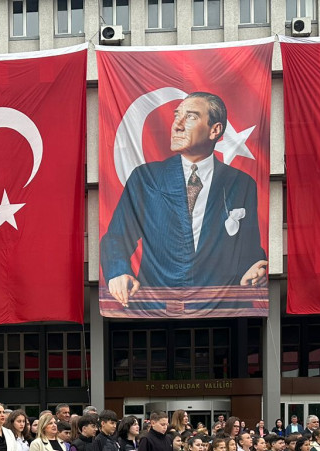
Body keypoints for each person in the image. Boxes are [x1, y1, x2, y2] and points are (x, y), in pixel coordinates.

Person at [101, 92, 267, 306]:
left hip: (221, 310)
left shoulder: (241, 183)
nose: (177, 125)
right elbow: (117, 237)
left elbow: (248, 248)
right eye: (176, 115)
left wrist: (253, 270)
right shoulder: (146, 178)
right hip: (156, 307)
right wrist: (118, 273)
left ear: (214, 130)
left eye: (190, 117)